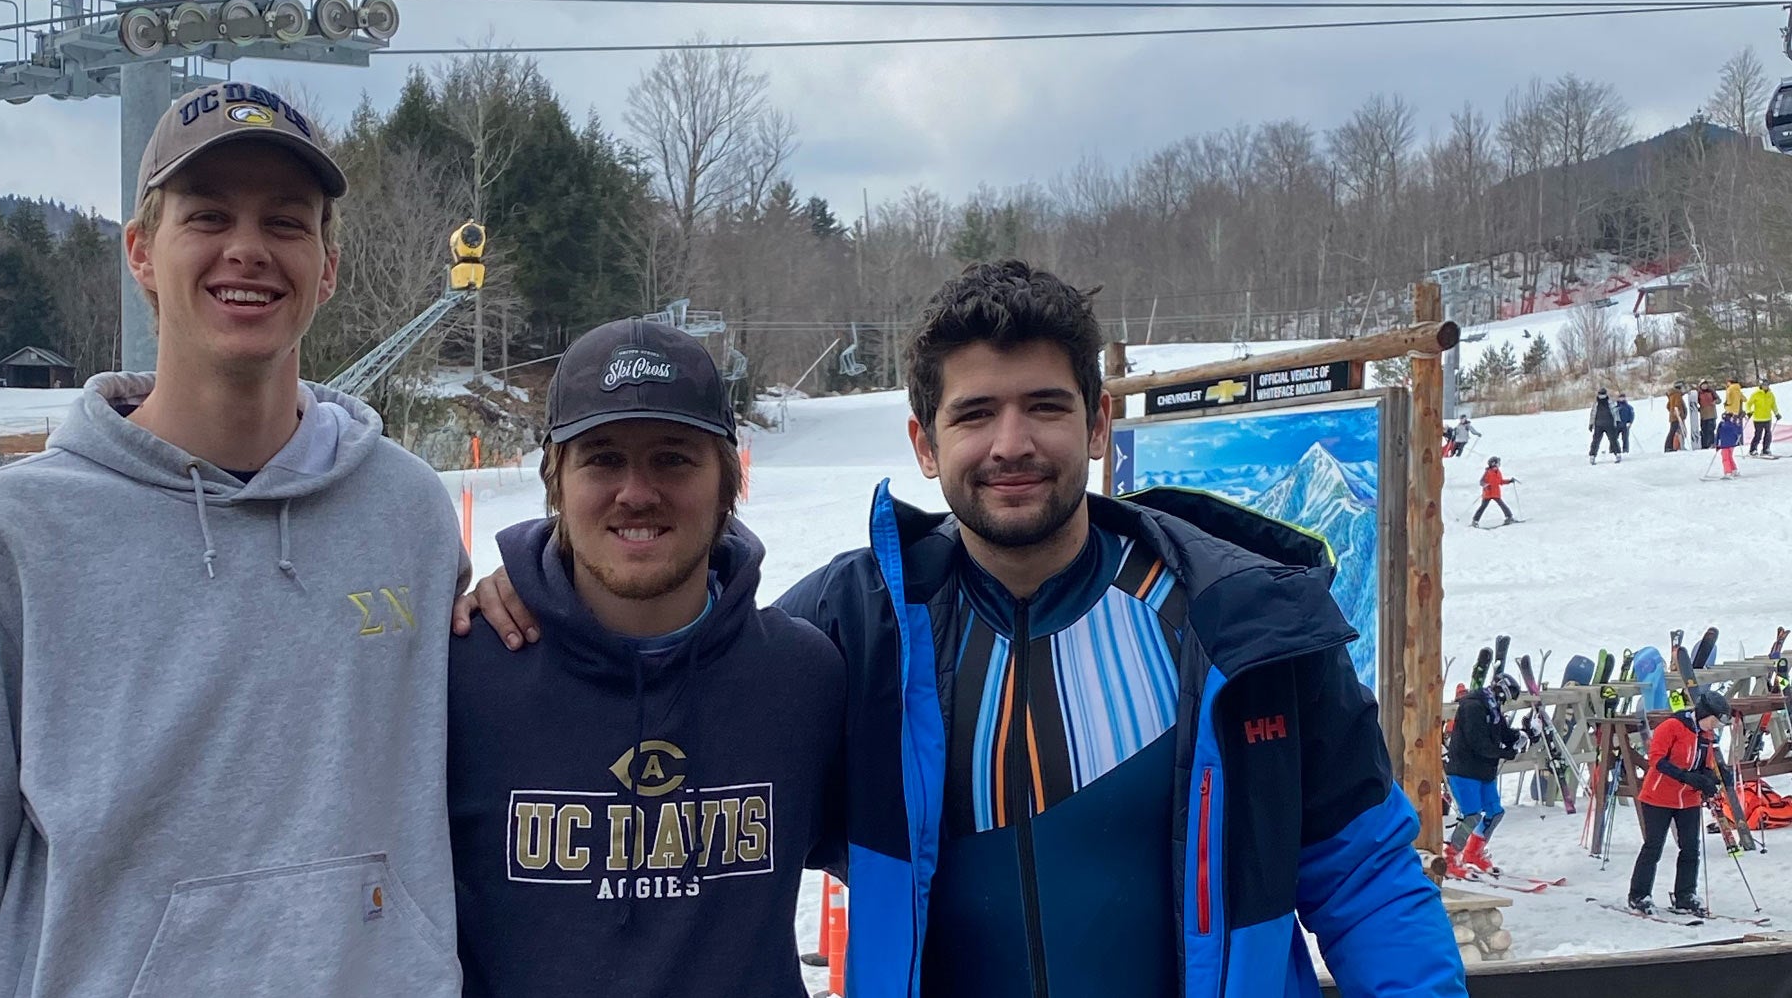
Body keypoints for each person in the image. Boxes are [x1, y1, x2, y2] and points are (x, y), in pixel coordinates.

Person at [459, 261, 1466, 997]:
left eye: (1045, 408)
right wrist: (539, 595)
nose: (1010, 444)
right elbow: (674, 663)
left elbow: (1367, 877)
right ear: (923, 442)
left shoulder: (1239, 623)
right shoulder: (849, 630)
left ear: (1097, 424)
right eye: (975, 414)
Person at [0, 83, 468, 997]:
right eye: (208, 215)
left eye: (286, 221)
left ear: (327, 268)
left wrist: (536, 587)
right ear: (142, 254)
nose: (248, 248)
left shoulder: (409, 514)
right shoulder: (1, 542)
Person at [444, 318, 845, 998]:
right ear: (555, 480)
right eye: (602, 459)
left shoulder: (803, 679)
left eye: (673, 458)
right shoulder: (461, 676)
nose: (636, 492)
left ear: (727, 481)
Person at [1629, 691, 1736, 917]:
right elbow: (1656, 760)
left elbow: (1704, 764)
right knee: (1653, 846)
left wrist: (1714, 777)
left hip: (1688, 799)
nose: (1715, 727)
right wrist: (1686, 777)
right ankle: (1639, 895)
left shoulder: (1707, 736)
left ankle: (1685, 895)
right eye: (1714, 721)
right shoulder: (1672, 726)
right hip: (1659, 796)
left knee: (1690, 847)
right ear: (1704, 714)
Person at [1443, 673, 1527, 875]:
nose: (1504, 703)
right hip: (1465, 770)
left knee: (1495, 812)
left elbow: (1502, 733)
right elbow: (1479, 743)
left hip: (1483, 771)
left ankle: (1473, 853)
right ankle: (1450, 856)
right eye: (1505, 698)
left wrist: (1521, 736)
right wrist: (1505, 752)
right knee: (1471, 816)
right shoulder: (1473, 706)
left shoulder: (1491, 706)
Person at [1472, 456, 1517, 527]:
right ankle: (1475, 521)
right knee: (1483, 507)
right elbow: (1481, 481)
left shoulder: (1498, 472)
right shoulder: (1488, 472)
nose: (1499, 465)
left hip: (1496, 493)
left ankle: (1509, 517)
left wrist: (1509, 481)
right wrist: (1485, 485)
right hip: (1488, 493)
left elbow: (1500, 481)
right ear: (1493, 464)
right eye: (1498, 463)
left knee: (1502, 505)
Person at [1589, 387, 1623, 464]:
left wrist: (1591, 423)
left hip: (1605, 424)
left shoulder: (1607, 402)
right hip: (1602, 425)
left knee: (1609, 440)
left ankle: (1593, 456)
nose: (1601, 396)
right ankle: (1593, 455)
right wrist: (1591, 423)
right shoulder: (1600, 403)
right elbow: (1615, 411)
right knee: (1609, 440)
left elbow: (1593, 414)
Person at [1747, 379, 1780, 457]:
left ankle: (1766, 449)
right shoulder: (1756, 394)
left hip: (1767, 418)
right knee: (1758, 435)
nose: (1765, 386)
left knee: (1768, 434)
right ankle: (1753, 450)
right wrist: (1749, 411)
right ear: (1761, 386)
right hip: (1758, 418)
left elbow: (1773, 405)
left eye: (1767, 385)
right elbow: (1748, 404)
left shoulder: (1771, 395)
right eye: (1764, 385)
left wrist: (1777, 413)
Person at [1717, 410, 1745, 478]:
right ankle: (1733, 470)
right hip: (1732, 444)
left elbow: (1718, 435)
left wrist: (1717, 444)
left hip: (1724, 444)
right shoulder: (1733, 424)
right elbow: (1739, 432)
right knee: (1729, 456)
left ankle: (1728, 472)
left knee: (1725, 458)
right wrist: (1739, 421)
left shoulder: (1721, 425)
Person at [1697, 380, 1720, 450]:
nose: (1705, 386)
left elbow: (1719, 400)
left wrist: (1715, 401)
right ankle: (1704, 444)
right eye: (1703, 385)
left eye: (1706, 385)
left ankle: (1711, 443)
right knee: (1704, 430)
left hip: (1712, 414)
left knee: (1711, 429)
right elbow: (1695, 403)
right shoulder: (1699, 393)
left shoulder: (1711, 391)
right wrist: (1698, 409)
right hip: (1704, 415)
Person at [1665, 382, 1686, 453]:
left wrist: (1671, 411)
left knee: (1673, 431)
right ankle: (1669, 446)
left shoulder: (1672, 395)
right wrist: (1677, 412)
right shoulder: (1677, 394)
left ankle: (1670, 446)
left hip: (1673, 416)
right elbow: (1677, 405)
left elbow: (1668, 406)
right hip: (1677, 416)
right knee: (1674, 431)